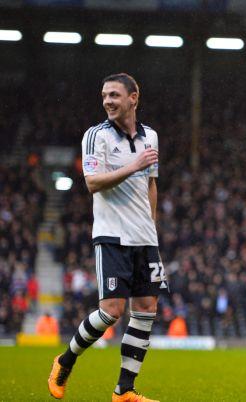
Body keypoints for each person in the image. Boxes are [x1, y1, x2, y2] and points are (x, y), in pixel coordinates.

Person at [48, 73, 166, 402]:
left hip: (144, 237)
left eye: (114, 95)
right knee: (110, 311)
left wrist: (152, 226)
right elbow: (93, 182)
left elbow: (151, 184)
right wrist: (134, 165)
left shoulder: (151, 137)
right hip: (112, 235)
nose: (108, 101)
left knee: (146, 309)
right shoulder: (95, 136)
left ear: (133, 98)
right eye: (104, 96)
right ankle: (65, 360)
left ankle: (124, 391)